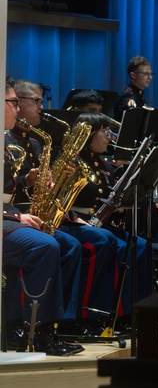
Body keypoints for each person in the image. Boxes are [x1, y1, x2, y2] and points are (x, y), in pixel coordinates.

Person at [9, 79, 120, 332]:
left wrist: (59, 180)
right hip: (19, 216)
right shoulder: (9, 141)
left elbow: (45, 190)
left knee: (73, 245)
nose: (41, 107)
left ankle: (64, 318)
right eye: (35, 101)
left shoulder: (37, 142)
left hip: (41, 215)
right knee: (62, 245)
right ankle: (33, 321)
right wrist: (29, 181)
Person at [2, 77, 85, 356]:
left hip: (9, 218)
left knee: (68, 244)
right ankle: (33, 330)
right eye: (12, 102)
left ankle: (48, 325)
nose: (16, 109)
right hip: (5, 220)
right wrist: (17, 218)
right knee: (44, 245)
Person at [67, 111, 150, 327]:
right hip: (73, 222)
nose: (109, 137)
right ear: (89, 135)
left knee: (140, 245)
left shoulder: (102, 164)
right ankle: (89, 314)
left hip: (100, 223)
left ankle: (129, 312)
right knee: (108, 243)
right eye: (104, 132)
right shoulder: (71, 161)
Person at [113, 55, 152, 120]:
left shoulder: (139, 96)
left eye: (150, 74)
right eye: (146, 74)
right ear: (133, 75)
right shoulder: (127, 97)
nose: (150, 77)